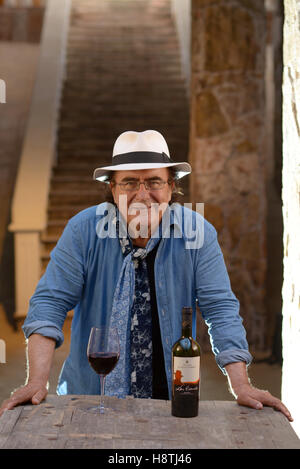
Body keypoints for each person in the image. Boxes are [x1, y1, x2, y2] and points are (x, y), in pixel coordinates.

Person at [0, 130, 292, 421]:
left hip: (172, 402)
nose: (142, 195)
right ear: (113, 190)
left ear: (170, 187)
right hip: (89, 400)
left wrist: (241, 385)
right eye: (129, 182)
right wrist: (37, 381)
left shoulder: (197, 233)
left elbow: (220, 309)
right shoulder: (83, 230)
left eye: (153, 181)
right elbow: (49, 304)